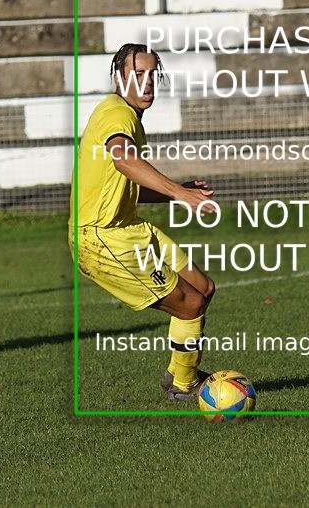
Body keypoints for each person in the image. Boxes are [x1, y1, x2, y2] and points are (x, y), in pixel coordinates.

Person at [69, 43, 216, 401]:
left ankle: (177, 372)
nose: (147, 82)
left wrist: (176, 193)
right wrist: (178, 193)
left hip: (129, 229)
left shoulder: (130, 117)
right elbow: (123, 159)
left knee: (202, 288)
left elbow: (125, 184)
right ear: (118, 78)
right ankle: (184, 386)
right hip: (101, 239)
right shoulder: (116, 114)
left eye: (152, 74)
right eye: (137, 74)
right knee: (189, 304)